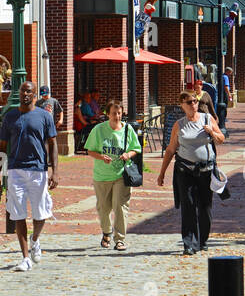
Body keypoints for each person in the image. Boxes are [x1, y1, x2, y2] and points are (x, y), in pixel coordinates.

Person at [157, 90, 227, 255]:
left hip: (206, 170)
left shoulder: (207, 119)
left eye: (195, 101)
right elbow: (170, 150)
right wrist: (162, 173)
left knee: (205, 207)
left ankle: (202, 240)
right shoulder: (179, 125)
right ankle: (189, 243)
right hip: (185, 171)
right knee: (188, 206)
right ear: (182, 105)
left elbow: (221, 138)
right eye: (189, 102)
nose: (193, 105)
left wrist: (211, 131)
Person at [0, 81, 58, 272]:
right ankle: (25, 258)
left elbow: (53, 143)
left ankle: (35, 240)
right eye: (23, 90)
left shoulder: (44, 116)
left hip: (38, 170)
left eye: (29, 91)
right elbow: (1, 148)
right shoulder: (10, 117)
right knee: (18, 214)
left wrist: (55, 171)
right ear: (19, 93)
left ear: (34, 95)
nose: (26, 93)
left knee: (41, 213)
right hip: (15, 170)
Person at [84, 99, 141, 251]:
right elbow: (89, 150)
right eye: (114, 113)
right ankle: (106, 232)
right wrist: (101, 156)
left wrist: (128, 154)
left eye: (119, 113)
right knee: (103, 208)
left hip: (122, 175)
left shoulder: (128, 130)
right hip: (102, 175)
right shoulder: (99, 129)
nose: (117, 116)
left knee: (120, 207)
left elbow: (136, 148)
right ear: (107, 114)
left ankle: (120, 239)